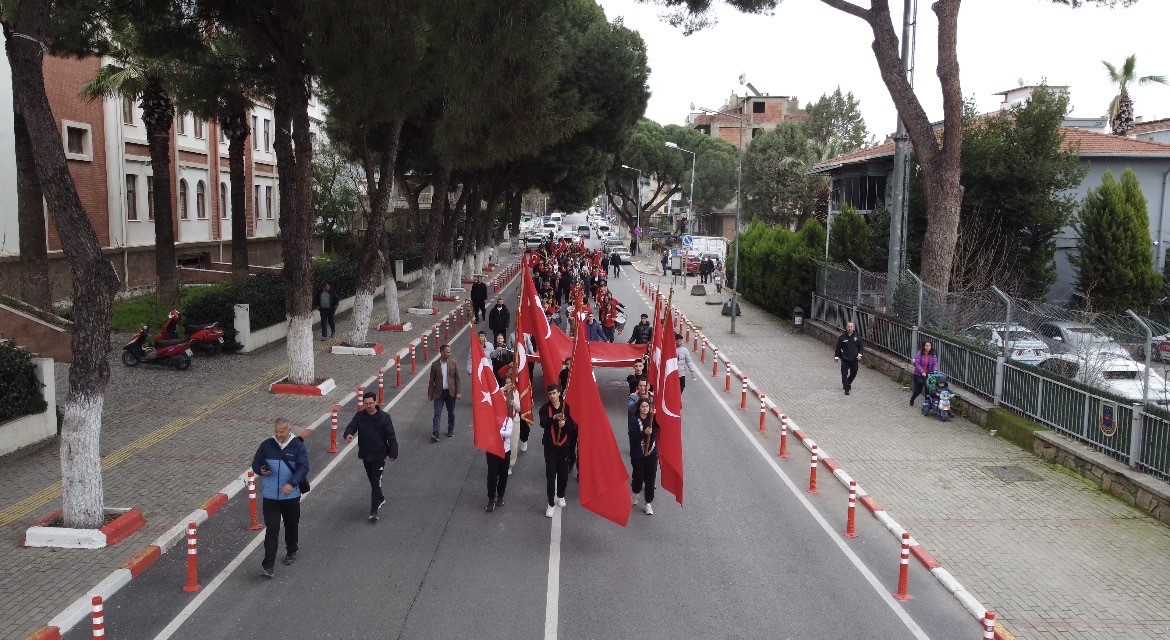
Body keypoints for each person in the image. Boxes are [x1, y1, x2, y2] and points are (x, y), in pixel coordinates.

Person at [251, 418, 308, 577]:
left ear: (289, 430)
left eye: (281, 432)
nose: (278, 434)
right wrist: (260, 470)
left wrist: (292, 483)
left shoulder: (297, 446)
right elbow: (255, 463)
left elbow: (303, 467)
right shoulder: (266, 445)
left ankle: (291, 550)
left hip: (290, 496)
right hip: (270, 496)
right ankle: (268, 566)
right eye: (276, 431)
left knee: (291, 525)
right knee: (272, 530)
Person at [343, 391, 398, 521]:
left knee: (375, 482)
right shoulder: (360, 416)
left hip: (379, 455)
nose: (369, 406)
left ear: (376, 402)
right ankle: (381, 498)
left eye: (371, 403)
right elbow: (351, 427)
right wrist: (348, 434)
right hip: (365, 454)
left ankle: (373, 511)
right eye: (366, 403)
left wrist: (393, 452)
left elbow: (391, 436)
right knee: (373, 481)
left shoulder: (384, 417)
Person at [539, 385, 576, 517]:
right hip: (550, 447)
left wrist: (565, 424)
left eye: (554, 393)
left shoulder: (566, 407)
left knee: (563, 473)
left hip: (563, 446)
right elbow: (543, 423)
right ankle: (550, 503)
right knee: (550, 475)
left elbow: (572, 426)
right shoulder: (545, 408)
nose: (552, 396)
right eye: (550, 394)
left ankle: (561, 495)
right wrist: (554, 418)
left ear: (559, 393)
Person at [628, 398, 658, 515]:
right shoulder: (634, 420)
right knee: (638, 477)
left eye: (647, 407)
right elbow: (632, 437)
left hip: (651, 454)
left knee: (650, 480)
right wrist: (643, 433)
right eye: (643, 407)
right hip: (638, 454)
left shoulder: (653, 419)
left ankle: (648, 503)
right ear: (639, 408)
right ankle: (635, 492)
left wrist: (657, 414)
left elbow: (664, 424)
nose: (645, 409)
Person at [485, 397, 514, 512]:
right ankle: (491, 498)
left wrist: (497, 431)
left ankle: (500, 496)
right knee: (492, 475)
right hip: (492, 450)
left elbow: (509, 433)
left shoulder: (509, 420)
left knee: (503, 475)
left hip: (505, 451)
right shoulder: (490, 418)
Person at [428, 344, 461, 442]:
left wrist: (458, 392)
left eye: (450, 352)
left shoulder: (453, 363)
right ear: (441, 353)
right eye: (448, 352)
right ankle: (435, 433)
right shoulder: (435, 365)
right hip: (439, 394)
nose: (450, 354)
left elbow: (457, 379)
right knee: (437, 413)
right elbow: (431, 380)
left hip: (450, 393)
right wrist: (430, 393)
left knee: (451, 413)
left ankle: (450, 429)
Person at [833, 321, 864, 395]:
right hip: (845, 359)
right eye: (848, 327)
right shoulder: (842, 337)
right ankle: (846, 388)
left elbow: (861, 348)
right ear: (846, 328)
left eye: (851, 327)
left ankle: (847, 382)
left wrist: (860, 355)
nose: (850, 328)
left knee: (854, 372)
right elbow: (838, 348)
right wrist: (836, 357)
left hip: (854, 359)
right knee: (844, 373)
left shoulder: (857, 337)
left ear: (853, 328)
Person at [910, 340, 939, 407]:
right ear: (924, 346)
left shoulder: (933, 354)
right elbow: (917, 364)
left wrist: (935, 370)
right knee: (918, 390)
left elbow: (935, 363)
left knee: (928, 390)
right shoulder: (920, 353)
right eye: (926, 345)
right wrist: (922, 372)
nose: (928, 347)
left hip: (928, 375)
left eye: (929, 346)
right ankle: (912, 399)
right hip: (919, 375)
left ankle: (926, 405)